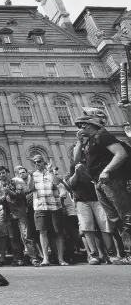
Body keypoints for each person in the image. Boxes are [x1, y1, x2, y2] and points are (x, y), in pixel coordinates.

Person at [73, 107, 131, 252]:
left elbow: (120, 154)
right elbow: (76, 160)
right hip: (99, 183)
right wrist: (79, 142)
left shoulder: (103, 136)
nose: (81, 126)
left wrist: (107, 170)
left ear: (91, 123)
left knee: (125, 215)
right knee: (115, 218)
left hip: (111, 180)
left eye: (84, 123)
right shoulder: (89, 141)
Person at [69, 161, 116, 265]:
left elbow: (99, 179)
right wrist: (76, 172)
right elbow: (72, 184)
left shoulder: (95, 160)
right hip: (82, 200)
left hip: (98, 198)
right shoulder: (73, 164)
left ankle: (110, 254)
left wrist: (85, 171)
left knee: (105, 226)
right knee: (87, 227)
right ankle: (93, 255)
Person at [28, 155, 67, 266]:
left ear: (44, 162)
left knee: (58, 232)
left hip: (55, 206)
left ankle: (61, 259)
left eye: (39, 161)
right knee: (42, 231)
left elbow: (56, 183)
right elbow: (30, 189)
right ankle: (45, 258)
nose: (37, 163)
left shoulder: (52, 173)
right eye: (35, 162)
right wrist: (31, 177)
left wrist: (50, 172)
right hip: (40, 207)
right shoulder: (34, 175)